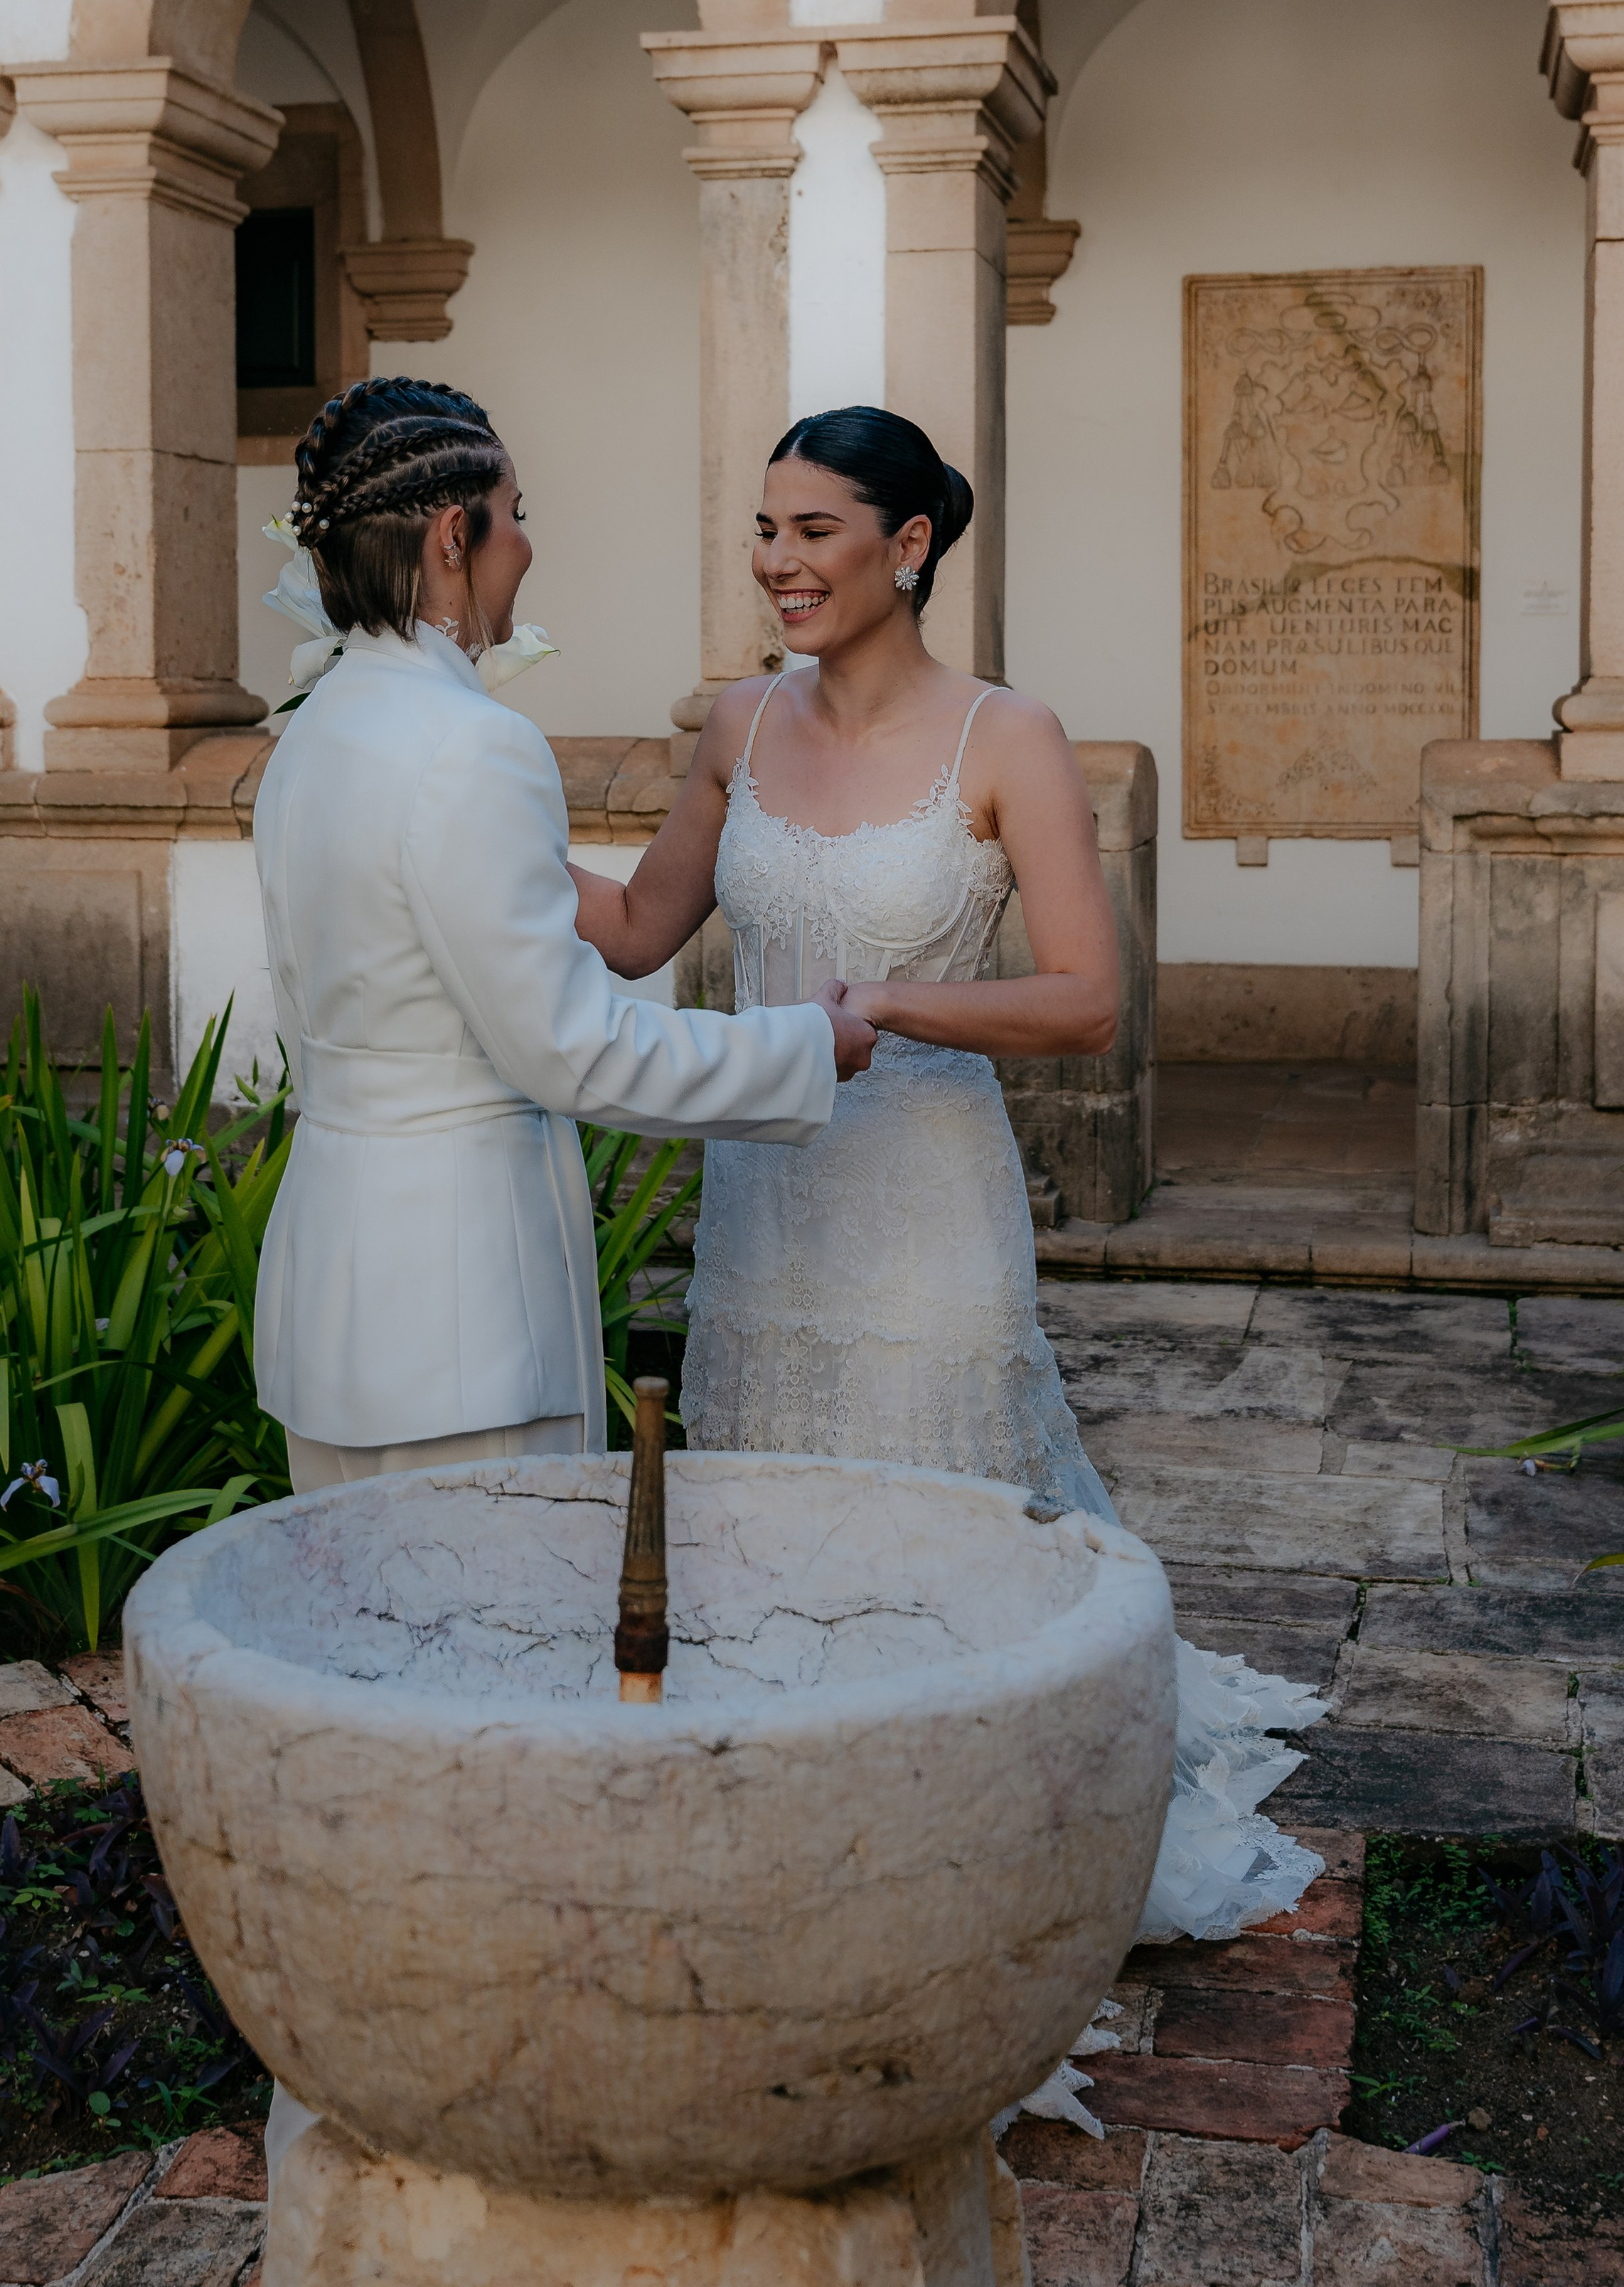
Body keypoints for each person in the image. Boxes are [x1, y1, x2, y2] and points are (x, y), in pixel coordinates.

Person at [568, 405, 1326, 1950]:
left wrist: (884, 1003)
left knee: (933, 1517)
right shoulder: (735, 725)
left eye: (814, 530)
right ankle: (804, 1825)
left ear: (906, 546)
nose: (778, 562)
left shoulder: (1008, 737)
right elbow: (643, 926)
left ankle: (968, 1846)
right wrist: (460, 825)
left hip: (922, 1205)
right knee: (779, 1520)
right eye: (764, 530)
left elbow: (1081, 997)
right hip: (767, 1207)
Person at [252, 376, 877, 1493]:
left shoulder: (316, 733)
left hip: (331, 1300)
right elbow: (570, 1049)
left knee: (357, 1654)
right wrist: (799, 1049)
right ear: (455, 534)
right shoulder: (471, 746)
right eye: (518, 513)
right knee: (492, 1647)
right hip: (462, 1327)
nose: (528, 546)